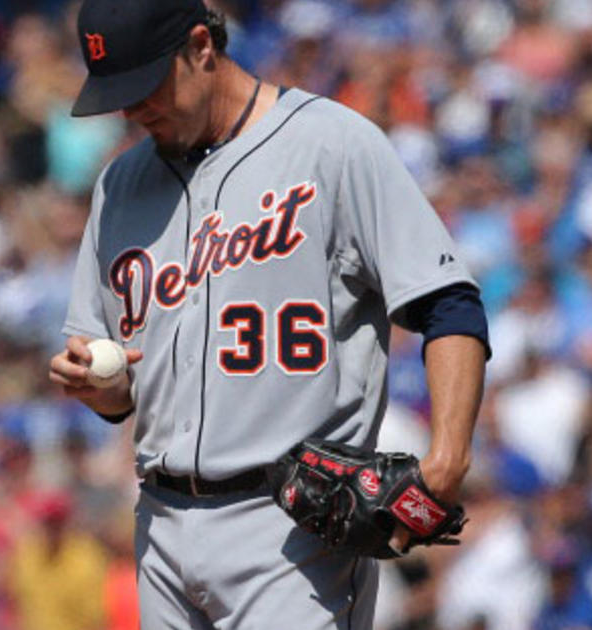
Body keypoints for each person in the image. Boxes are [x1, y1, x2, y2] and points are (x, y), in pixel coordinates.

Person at [48, 0, 489, 626]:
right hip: (159, 524)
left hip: (290, 528)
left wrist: (447, 461)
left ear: (201, 46)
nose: (133, 109)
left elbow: (449, 302)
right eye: (118, 94)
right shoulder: (120, 185)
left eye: (146, 86)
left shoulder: (330, 144)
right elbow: (119, 395)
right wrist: (96, 383)